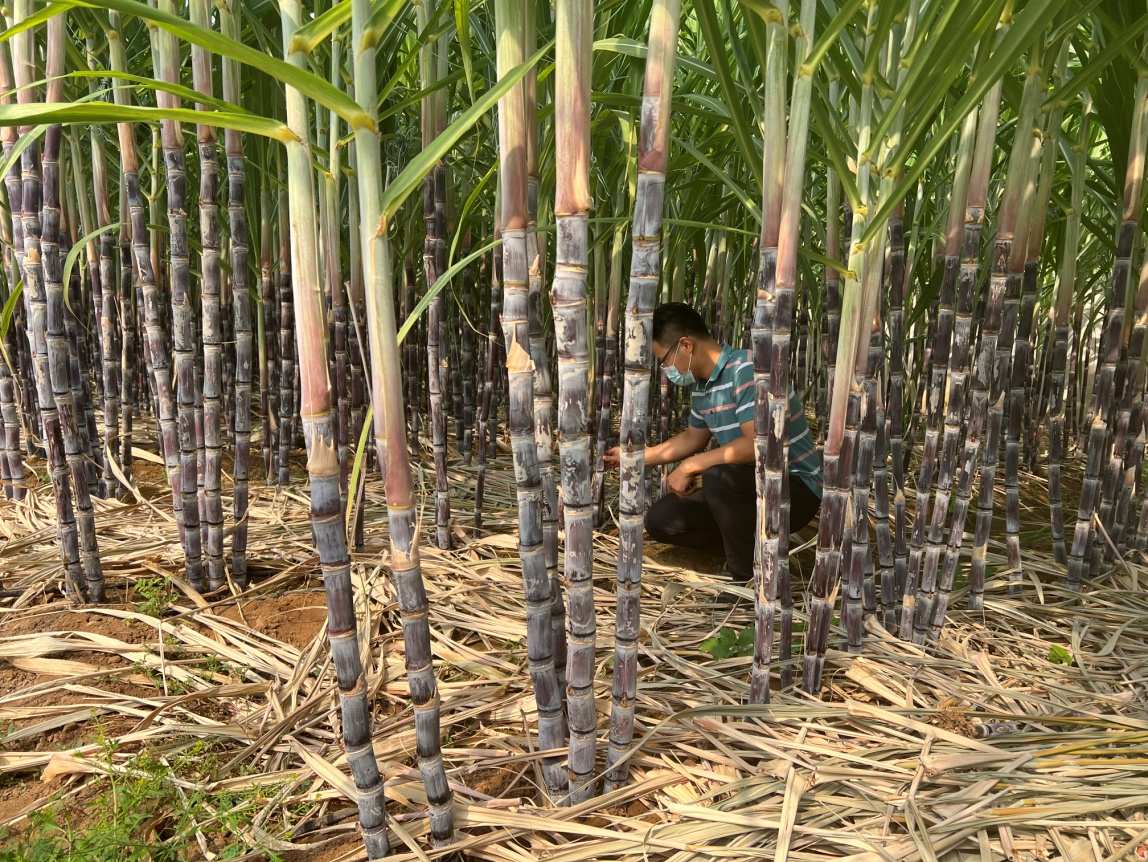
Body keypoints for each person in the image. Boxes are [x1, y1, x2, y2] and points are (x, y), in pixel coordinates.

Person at [604, 302, 821, 582]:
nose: (666, 369)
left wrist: (691, 465)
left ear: (686, 346)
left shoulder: (747, 370)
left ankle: (746, 578)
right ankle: (750, 549)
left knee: (717, 477)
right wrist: (636, 457)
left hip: (794, 488)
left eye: (665, 360)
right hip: (750, 488)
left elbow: (757, 443)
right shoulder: (702, 386)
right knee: (661, 519)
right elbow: (693, 437)